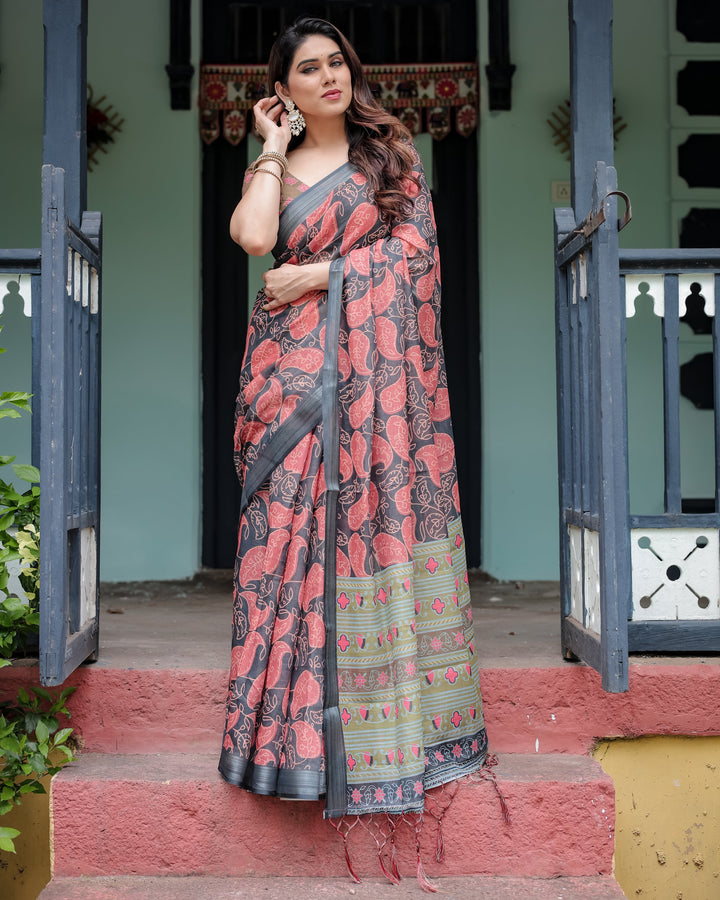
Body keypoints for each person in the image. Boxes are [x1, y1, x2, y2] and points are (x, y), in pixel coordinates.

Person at [219, 14, 490, 876]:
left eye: (337, 63)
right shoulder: (282, 161)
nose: (330, 77)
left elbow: (415, 256)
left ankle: (376, 730)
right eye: (309, 68)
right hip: (287, 380)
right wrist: (269, 147)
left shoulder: (389, 162)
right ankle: (276, 737)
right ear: (285, 89)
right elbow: (255, 239)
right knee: (283, 536)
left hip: (371, 383)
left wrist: (327, 272)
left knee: (355, 533)